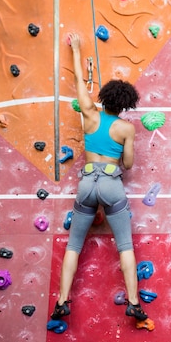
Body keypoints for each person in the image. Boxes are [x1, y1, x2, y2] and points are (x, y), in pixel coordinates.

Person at [50, 33, 148, 322]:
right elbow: (128, 165)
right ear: (125, 106)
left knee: (74, 245)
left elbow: (80, 82)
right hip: (111, 185)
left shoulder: (89, 115)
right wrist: (123, 145)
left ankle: (61, 301)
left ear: (104, 99)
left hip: (86, 183)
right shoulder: (126, 129)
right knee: (125, 246)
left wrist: (77, 49)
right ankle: (133, 302)